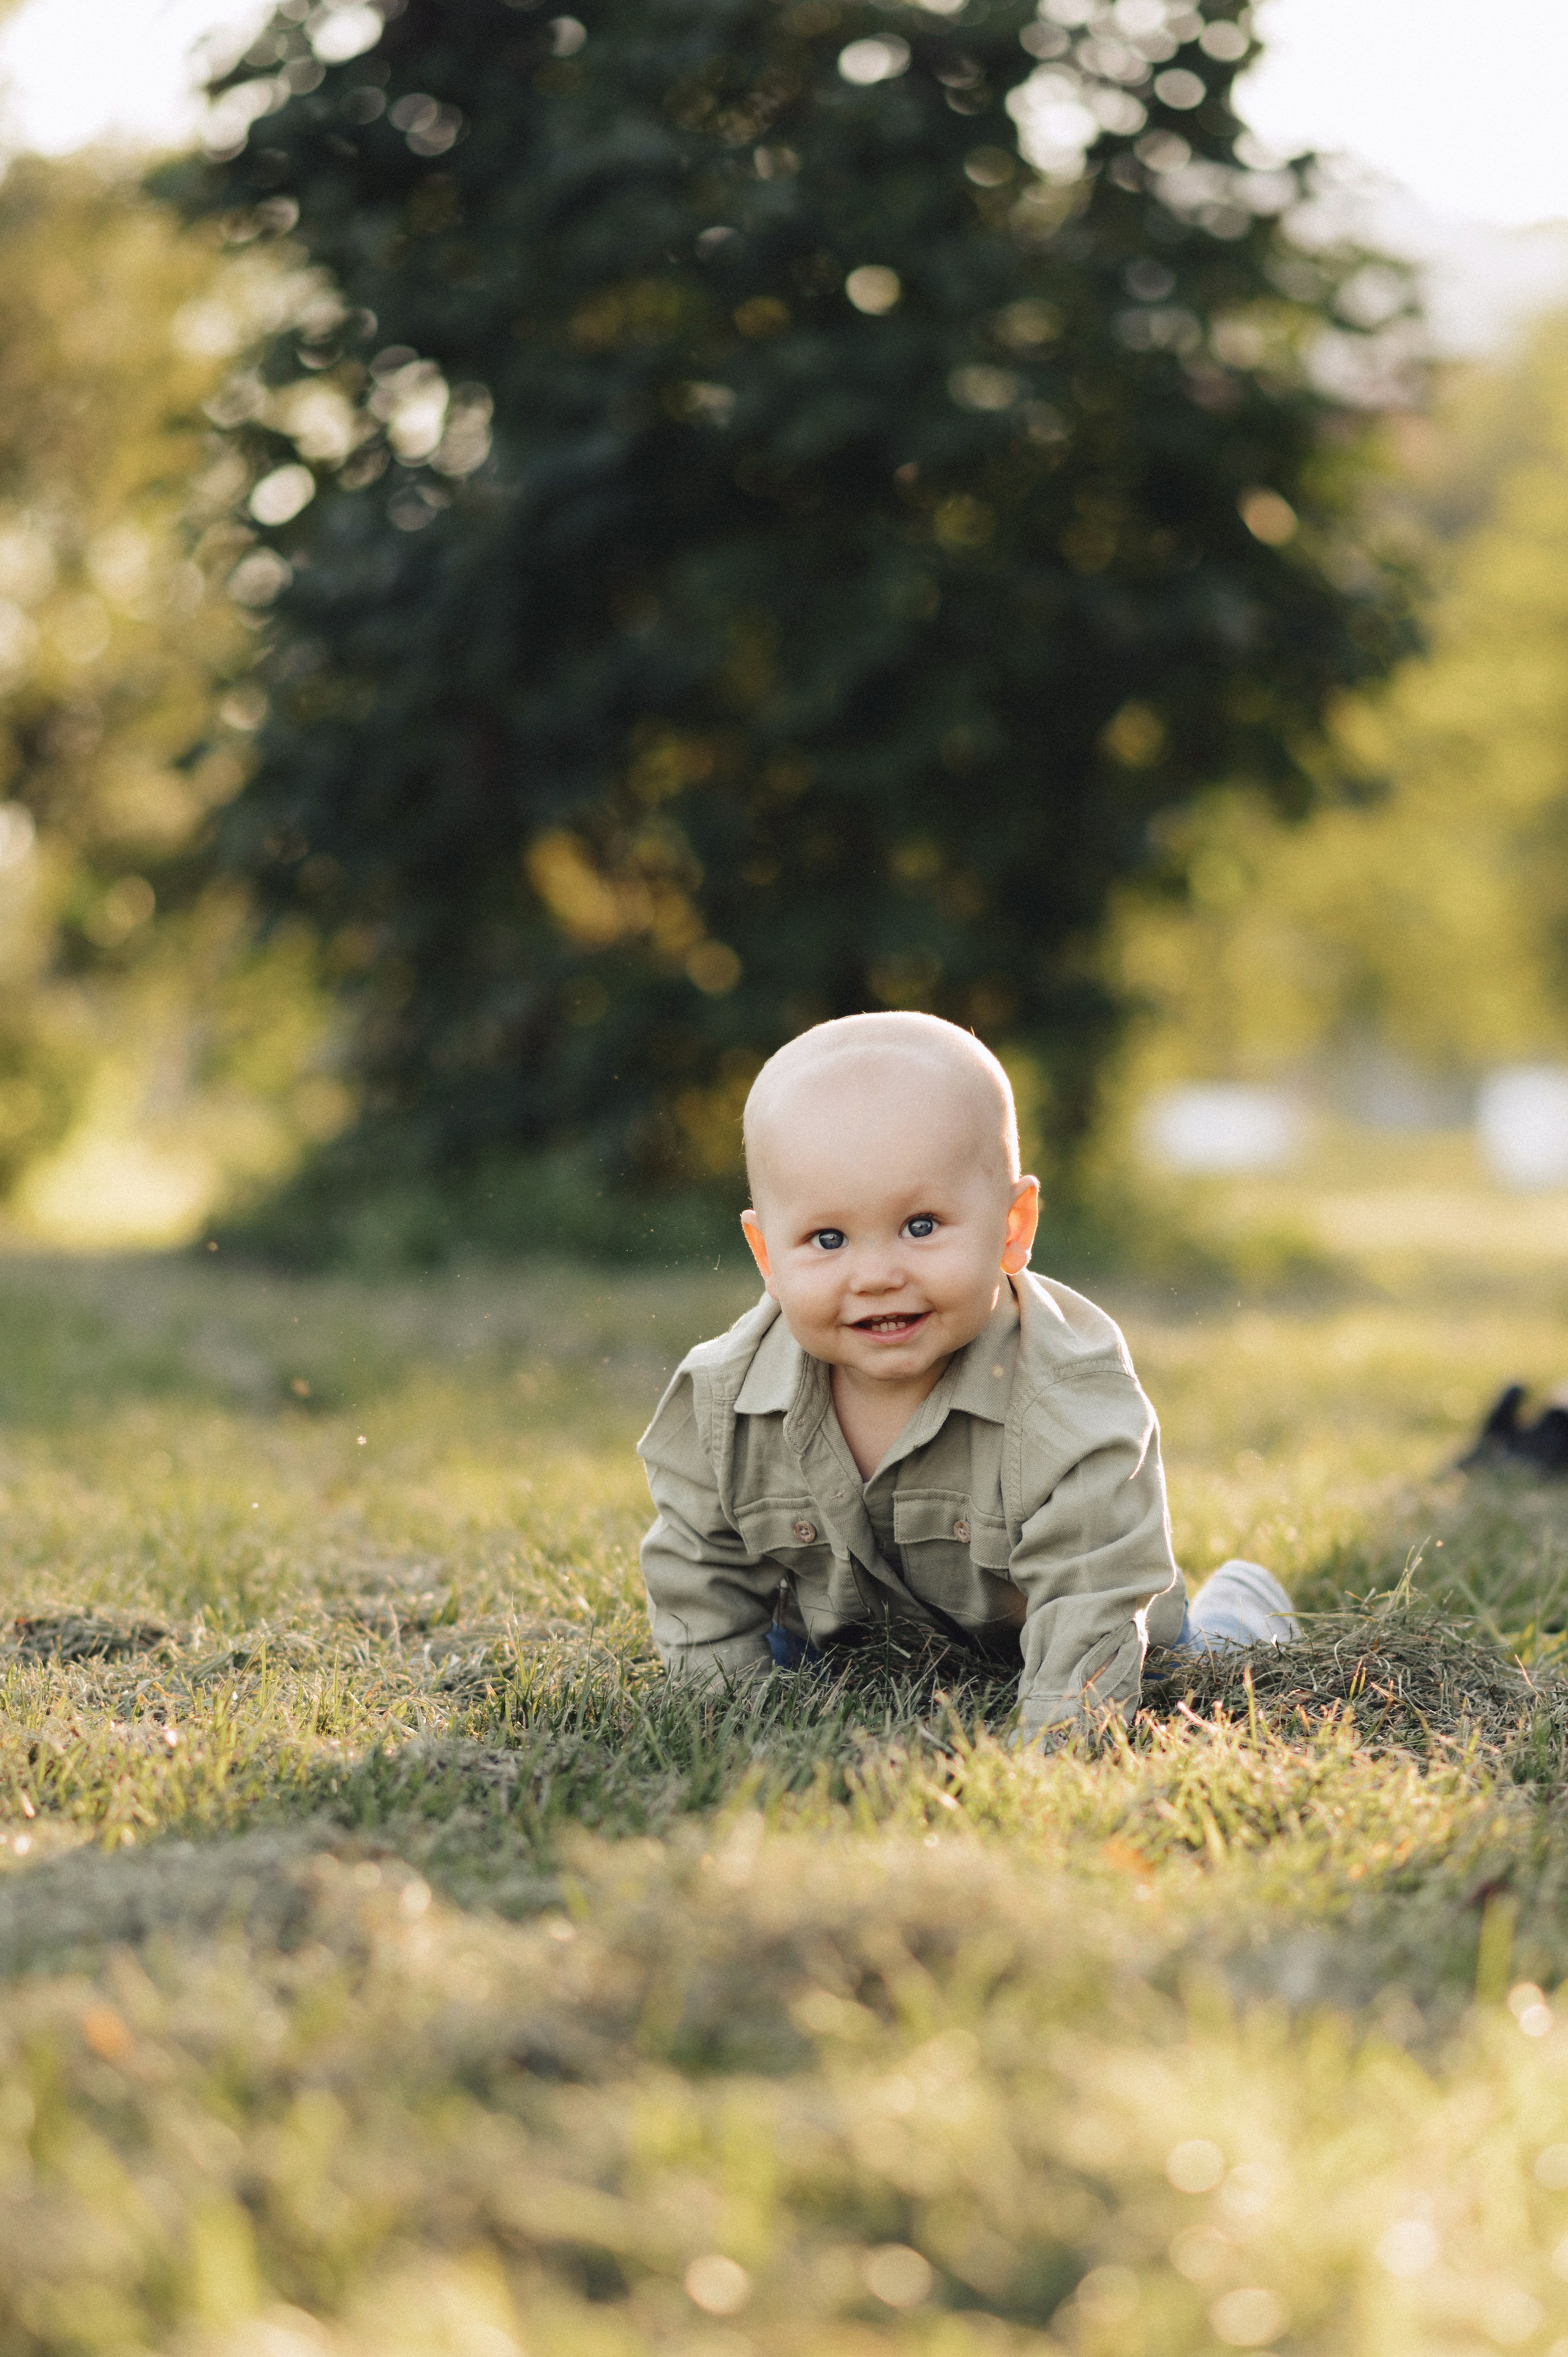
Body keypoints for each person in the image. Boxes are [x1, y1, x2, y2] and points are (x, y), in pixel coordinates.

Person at [637, 1011, 1298, 1743]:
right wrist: (733, 1723)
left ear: (1013, 1226)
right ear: (766, 1254)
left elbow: (1090, 1597)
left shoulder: (1067, 1397)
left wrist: (1053, 1754)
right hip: (851, 1643)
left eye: (920, 1225)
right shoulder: (726, 1399)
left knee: (1194, 1671)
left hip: (1081, 1635)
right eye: (827, 1239)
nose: (878, 1274)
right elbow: (700, 1576)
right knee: (801, 1665)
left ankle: (1243, 1605)